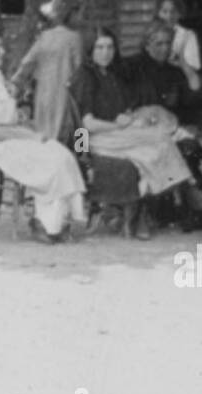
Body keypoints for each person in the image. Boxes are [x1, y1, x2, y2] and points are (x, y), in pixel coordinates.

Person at [0, 30, 87, 243]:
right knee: (50, 159)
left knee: (59, 151)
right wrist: (27, 136)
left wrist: (18, 117)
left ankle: (59, 220)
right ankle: (48, 225)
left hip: (11, 135)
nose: (3, 52)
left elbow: (5, 115)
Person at [71, 27, 195, 239]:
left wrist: (130, 117)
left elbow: (119, 109)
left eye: (110, 47)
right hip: (96, 139)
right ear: (90, 50)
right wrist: (119, 125)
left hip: (117, 137)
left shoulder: (110, 74)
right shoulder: (86, 76)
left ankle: (138, 219)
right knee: (160, 138)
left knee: (147, 154)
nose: (105, 52)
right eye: (100, 47)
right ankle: (189, 190)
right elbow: (87, 124)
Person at [122, 18, 202, 227]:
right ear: (147, 44)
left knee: (188, 148)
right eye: (158, 43)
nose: (164, 48)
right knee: (175, 148)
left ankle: (184, 207)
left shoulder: (173, 72)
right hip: (138, 131)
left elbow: (196, 93)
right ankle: (190, 196)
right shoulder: (132, 66)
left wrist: (184, 64)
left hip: (167, 130)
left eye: (168, 43)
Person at [11, 0, 84, 142]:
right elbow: (80, 70)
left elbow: (27, 63)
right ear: (71, 13)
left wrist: (15, 83)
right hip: (67, 96)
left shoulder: (45, 36)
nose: (81, 18)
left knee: (45, 134)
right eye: (79, 14)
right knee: (77, 130)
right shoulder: (74, 38)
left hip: (44, 95)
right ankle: (82, 160)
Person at [152, 0, 202, 91]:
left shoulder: (187, 36)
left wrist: (178, 62)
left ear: (179, 13)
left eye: (173, 12)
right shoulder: (151, 33)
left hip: (179, 85)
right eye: (164, 12)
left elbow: (192, 70)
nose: (169, 16)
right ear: (158, 13)